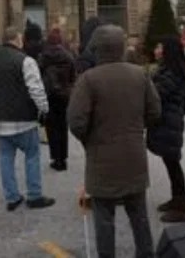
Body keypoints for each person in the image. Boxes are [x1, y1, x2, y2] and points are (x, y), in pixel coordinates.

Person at [68, 24, 161, 258]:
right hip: (133, 154)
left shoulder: (89, 79)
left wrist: (91, 139)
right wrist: (135, 130)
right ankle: (146, 253)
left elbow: (77, 122)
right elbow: (155, 112)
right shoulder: (140, 74)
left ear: (98, 49)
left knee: (104, 216)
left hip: (101, 157)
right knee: (138, 213)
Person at [0, 26, 55, 211]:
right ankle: (34, 195)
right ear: (18, 40)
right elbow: (36, 89)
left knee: (5, 158)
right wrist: (44, 109)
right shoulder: (25, 61)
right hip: (23, 120)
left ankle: (12, 197)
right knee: (32, 155)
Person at [146, 36, 185, 223]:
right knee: (171, 162)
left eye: (159, 46)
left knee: (173, 163)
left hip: (169, 124)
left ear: (167, 50)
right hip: (170, 123)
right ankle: (177, 199)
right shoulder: (172, 70)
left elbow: (155, 94)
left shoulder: (171, 73)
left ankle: (182, 207)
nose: (156, 49)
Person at [38, 28, 76, 171]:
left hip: (49, 94)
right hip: (64, 94)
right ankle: (63, 158)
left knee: (51, 127)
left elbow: (38, 74)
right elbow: (73, 75)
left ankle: (55, 157)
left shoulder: (43, 56)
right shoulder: (68, 56)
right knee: (62, 126)